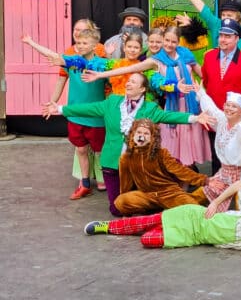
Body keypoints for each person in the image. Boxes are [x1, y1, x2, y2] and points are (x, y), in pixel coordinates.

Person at [43, 72, 214, 216]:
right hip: (112, 163)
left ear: (142, 89)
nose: (128, 83)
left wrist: (195, 118)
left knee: (143, 200)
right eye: (128, 81)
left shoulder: (150, 109)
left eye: (133, 82)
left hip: (138, 165)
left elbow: (169, 116)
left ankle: (155, 205)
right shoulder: (112, 102)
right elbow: (87, 109)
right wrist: (59, 109)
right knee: (117, 210)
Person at [83, 26, 211, 167]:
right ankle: (176, 174)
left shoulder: (186, 54)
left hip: (192, 103)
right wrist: (100, 75)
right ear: (163, 39)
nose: (169, 44)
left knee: (190, 141)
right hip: (173, 104)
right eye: (167, 40)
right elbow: (128, 69)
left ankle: (189, 172)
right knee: (173, 144)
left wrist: (205, 92)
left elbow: (203, 75)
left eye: (173, 41)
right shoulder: (156, 60)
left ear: (178, 42)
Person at [84, 181, 241, 256]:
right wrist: (214, 202)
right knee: (146, 221)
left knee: (147, 239)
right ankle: (106, 226)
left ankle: (139, 228)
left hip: (192, 236)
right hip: (193, 215)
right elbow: (238, 185)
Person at [22, 30, 107, 200]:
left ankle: (105, 180)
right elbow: (52, 54)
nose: (80, 46)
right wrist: (31, 43)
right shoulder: (71, 62)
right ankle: (85, 183)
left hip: (96, 116)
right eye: (78, 43)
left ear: (95, 46)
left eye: (85, 43)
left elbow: (120, 72)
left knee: (99, 151)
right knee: (81, 149)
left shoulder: (103, 64)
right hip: (75, 115)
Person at [190, 83, 241, 215]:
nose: (229, 108)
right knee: (194, 199)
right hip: (223, 174)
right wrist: (201, 93)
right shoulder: (223, 121)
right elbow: (212, 109)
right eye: (227, 105)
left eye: (234, 106)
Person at [115, 119, 209, 215]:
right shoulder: (126, 158)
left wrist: (204, 180)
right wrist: (126, 207)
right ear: (133, 134)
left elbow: (180, 170)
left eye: (146, 133)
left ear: (152, 137)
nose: (141, 136)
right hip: (146, 196)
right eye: (139, 132)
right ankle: (158, 210)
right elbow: (125, 184)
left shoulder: (162, 153)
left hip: (168, 193)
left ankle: (203, 194)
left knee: (194, 209)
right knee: (120, 201)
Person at [200, 18, 241, 173]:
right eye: (221, 35)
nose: (223, 40)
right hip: (214, 117)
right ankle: (217, 185)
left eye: (228, 36)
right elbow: (206, 83)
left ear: (237, 38)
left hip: (237, 120)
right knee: (216, 156)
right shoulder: (209, 56)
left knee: (238, 158)